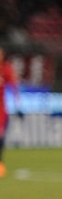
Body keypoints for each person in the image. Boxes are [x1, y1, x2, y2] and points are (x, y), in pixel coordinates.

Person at [0, 46, 20, 178]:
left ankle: (0, 163)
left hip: (1, 110)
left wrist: (17, 102)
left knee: (0, 137)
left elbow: (14, 85)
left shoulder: (6, 68)